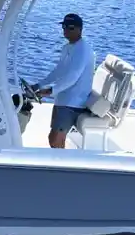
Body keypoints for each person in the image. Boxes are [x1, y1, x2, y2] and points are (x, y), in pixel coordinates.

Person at [33, 13, 95, 149]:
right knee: (53, 139)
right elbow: (58, 71)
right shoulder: (67, 47)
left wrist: (50, 91)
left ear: (80, 30)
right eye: (64, 27)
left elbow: (72, 77)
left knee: (55, 139)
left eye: (70, 27)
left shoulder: (83, 49)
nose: (66, 30)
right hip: (63, 99)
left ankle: (62, 165)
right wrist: (38, 85)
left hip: (73, 102)